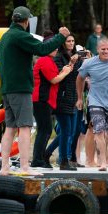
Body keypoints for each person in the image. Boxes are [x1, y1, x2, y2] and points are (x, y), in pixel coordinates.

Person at [0, 6, 70, 176]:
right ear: (26, 20)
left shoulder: (6, 36)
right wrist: (61, 36)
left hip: (7, 89)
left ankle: (5, 167)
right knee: (24, 127)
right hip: (20, 88)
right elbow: (43, 49)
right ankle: (24, 167)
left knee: (10, 127)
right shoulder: (20, 35)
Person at [76, 37, 108, 171]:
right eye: (103, 49)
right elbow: (79, 79)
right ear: (97, 50)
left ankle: (102, 148)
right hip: (95, 100)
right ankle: (103, 161)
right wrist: (80, 98)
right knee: (98, 130)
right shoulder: (89, 63)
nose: (106, 51)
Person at [44, 34, 89, 170]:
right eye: (68, 41)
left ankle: (47, 154)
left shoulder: (78, 58)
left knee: (72, 131)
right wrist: (72, 63)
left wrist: (87, 60)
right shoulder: (58, 57)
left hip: (75, 98)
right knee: (66, 131)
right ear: (63, 44)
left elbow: (81, 76)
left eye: (72, 41)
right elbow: (60, 75)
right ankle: (63, 160)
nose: (70, 43)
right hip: (62, 97)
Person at [31, 30, 73, 169]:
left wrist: (63, 71)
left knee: (45, 130)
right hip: (41, 100)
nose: (56, 49)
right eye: (53, 47)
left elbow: (55, 77)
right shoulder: (44, 60)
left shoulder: (48, 60)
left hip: (45, 100)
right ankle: (38, 159)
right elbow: (54, 80)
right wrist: (66, 72)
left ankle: (39, 158)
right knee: (45, 130)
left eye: (56, 47)